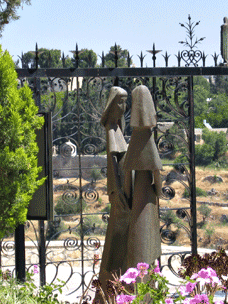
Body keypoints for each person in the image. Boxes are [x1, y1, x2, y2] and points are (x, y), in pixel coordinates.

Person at [96, 86, 130, 301]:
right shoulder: (111, 130)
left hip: (123, 192)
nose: (123, 106)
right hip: (119, 194)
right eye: (119, 102)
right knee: (116, 243)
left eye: (125, 101)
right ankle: (109, 290)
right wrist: (117, 192)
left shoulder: (118, 129)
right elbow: (112, 165)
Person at [123, 85, 162, 269]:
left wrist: (128, 195)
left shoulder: (136, 138)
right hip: (148, 196)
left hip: (137, 197)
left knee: (138, 237)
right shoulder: (147, 137)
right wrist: (159, 191)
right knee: (147, 237)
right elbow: (156, 171)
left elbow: (128, 170)